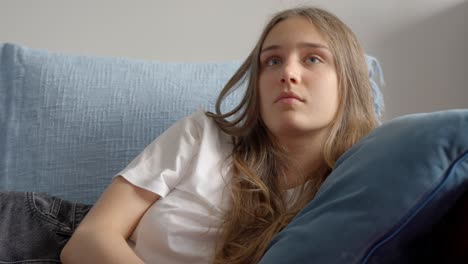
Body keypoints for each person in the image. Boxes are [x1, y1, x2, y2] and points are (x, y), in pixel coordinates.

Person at [1, 6, 379, 264]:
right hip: (36, 235)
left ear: (348, 81)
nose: (288, 73)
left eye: (313, 58)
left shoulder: (355, 187)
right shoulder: (206, 135)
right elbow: (89, 239)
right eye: (272, 60)